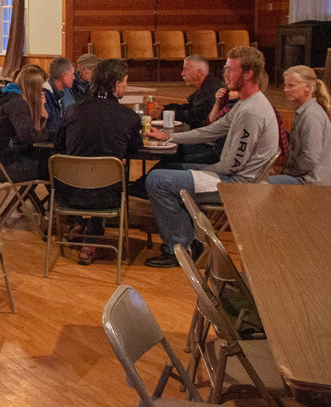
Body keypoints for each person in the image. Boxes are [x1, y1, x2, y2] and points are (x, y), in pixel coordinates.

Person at [143, 46, 279, 269]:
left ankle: (179, 249)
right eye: (225, 68)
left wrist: (197, 172)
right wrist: (169, 137)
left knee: (157, 180)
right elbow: (211, 130)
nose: (224, 74)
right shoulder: (247, 102)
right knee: (173, 166)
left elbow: (230, 166)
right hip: (230, 174)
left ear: (249, 74)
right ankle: (190, 240)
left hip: (237, 184)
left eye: (230, 70)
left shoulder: (251, 111)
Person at [54, 59, 142, 265]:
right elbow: (135, 150)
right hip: (106, 196)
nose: (126, 87)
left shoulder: (72, 110)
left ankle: (79, 226)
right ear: (117, 84)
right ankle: (91, 244)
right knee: (106, 177)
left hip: (68, 192)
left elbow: (59, 146)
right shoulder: (128, 117)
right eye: (126, 82)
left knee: (92, 172)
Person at [0, 65, 51, 182]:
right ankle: (59, 200)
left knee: (50, 159)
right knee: (55, 165)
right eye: (40, 84)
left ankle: (53, 199)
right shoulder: (17, 104)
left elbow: (29, 132)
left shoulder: (8, 97)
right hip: (8, 165)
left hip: (2, 160)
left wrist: (42, 115)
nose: (43, 88)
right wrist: (51, 134)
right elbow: (27, 137)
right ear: (32, 87)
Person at [268, 65, 331, 185]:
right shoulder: (305, 111)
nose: (285, 89)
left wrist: (286, 173)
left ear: (308, 87)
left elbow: (309, 159)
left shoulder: (312, 115)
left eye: (291, 85)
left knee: (258, 184)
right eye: (285, 85)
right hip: (304, 176)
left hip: (310, 181)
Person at [42, 56, 75, 133]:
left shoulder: (58, 94)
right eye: (72, 74)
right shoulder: (44, 95)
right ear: (64, 75)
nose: (74, 78)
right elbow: (51, 127)